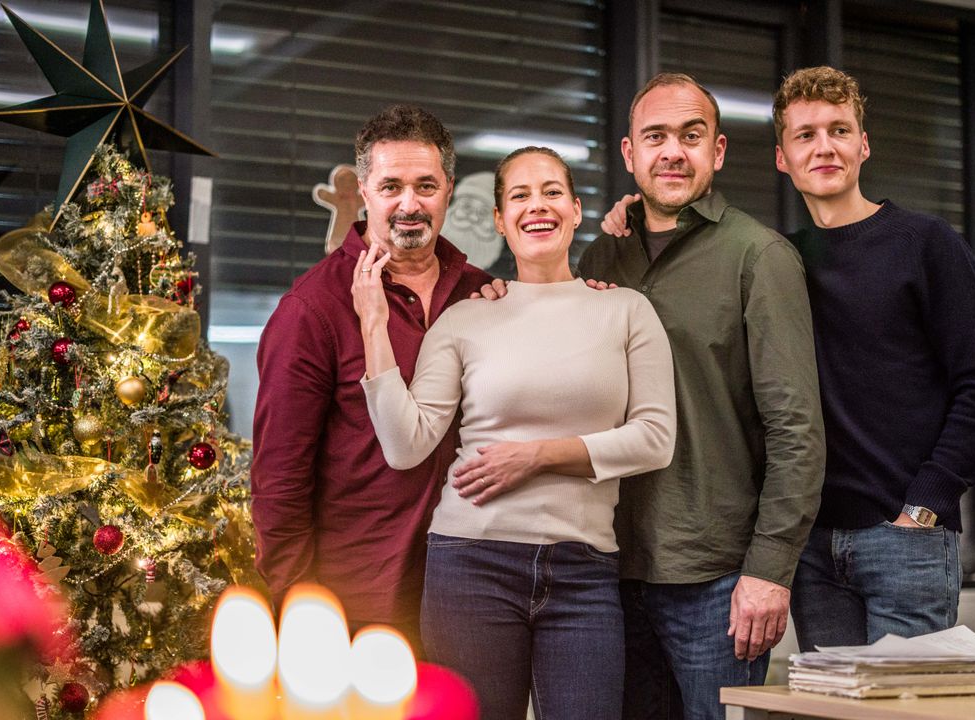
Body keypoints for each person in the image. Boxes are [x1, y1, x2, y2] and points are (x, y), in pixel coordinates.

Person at [351, 146, 676, 720]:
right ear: (500, 220)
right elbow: (406, 445)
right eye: (520, 196)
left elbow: (655, 438)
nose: (538, 206)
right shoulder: (466, 318)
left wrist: (538, 456)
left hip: (584, 568)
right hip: (470, 563)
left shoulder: (627, 311)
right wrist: (373, 324)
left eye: (552, 192)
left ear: (575, 210)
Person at [587, 72, 826, 720]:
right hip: (607, 569)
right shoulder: (601, 258)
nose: (672, 151)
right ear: (629, 153)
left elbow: (796, 431)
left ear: (717, 151)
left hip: (715, 579)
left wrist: (770, 569)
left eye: (691, 136)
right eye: (655, 137)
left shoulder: (758, 256)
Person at [771, 66, 975, 649]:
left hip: (906, 540)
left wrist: (925, 505)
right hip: (813, 548)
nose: (824, 146)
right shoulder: (780, 261)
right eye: (805, 135)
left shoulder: (927, 244)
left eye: (839, 130)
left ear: (864, 145)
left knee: (905, 700)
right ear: (782, 157)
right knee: (830, 701)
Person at [249, 105, 493, 648]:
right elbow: (279, 477)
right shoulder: (313, 308)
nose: (410, 204)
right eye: (391, 187)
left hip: (473, 591)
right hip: (357, 599)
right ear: (364, 191)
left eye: (426, 185)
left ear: (449, 190)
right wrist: (297, 601)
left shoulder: (482, 293)